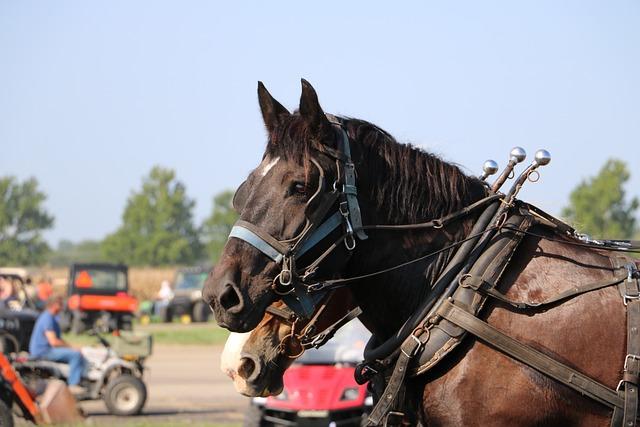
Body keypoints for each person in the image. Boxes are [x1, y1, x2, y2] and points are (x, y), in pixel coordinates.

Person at [29, 296, 87, 393]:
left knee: (73, 352)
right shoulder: (47, 318)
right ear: (54, 305)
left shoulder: (50, 317)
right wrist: (72, 348)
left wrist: (71, 345)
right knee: (76, 355)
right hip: (43, 351)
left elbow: (57, 339)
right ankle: (73, 384)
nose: (62, 307)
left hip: (46, 349)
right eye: (60, 304)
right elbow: (54, 342)